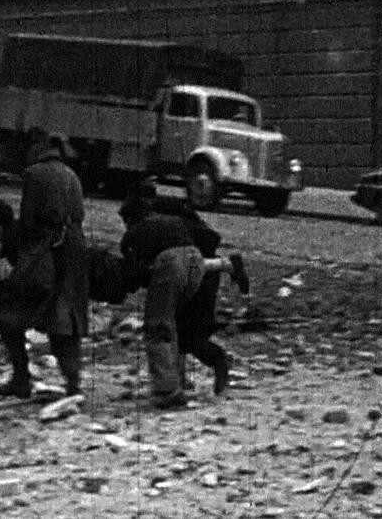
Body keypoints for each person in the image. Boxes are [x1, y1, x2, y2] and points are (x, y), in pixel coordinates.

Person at [118, 192, 248, 409]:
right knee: (174, 323)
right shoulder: (175, 220)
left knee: (157, 328)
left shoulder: (134, 233)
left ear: (131, 218)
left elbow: (136, 272)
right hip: (197, 263)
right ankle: (177, 380)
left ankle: (167, 389)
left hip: (170, 266)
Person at [17, 129, 89, 397]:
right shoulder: (71, 174)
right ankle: (74, 380)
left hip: (51, 247)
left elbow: (29, 220)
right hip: (76, 246)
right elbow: (78, 213)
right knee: (71, 316)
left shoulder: (34, 174)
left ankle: (22, 377)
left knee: (52, 315)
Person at [0, 199, 34, 398]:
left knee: (7, 323)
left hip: (35, 295)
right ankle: (22, 377)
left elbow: (5, 276)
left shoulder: (10, 242)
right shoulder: (22, 231)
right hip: (47, 288)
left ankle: (21, 378)